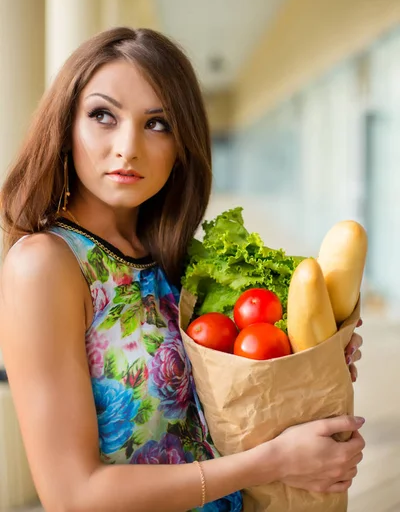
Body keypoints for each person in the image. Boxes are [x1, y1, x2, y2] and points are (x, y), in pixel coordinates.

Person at [0, 27, 364, 512]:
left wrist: (302, 364)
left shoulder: (176, 258)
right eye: (103, 115)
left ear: (182, 145)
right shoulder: (45, 265)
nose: (127, 146)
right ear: (66, 126)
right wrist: (274, 461)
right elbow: (73, 496)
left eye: (158, 123)